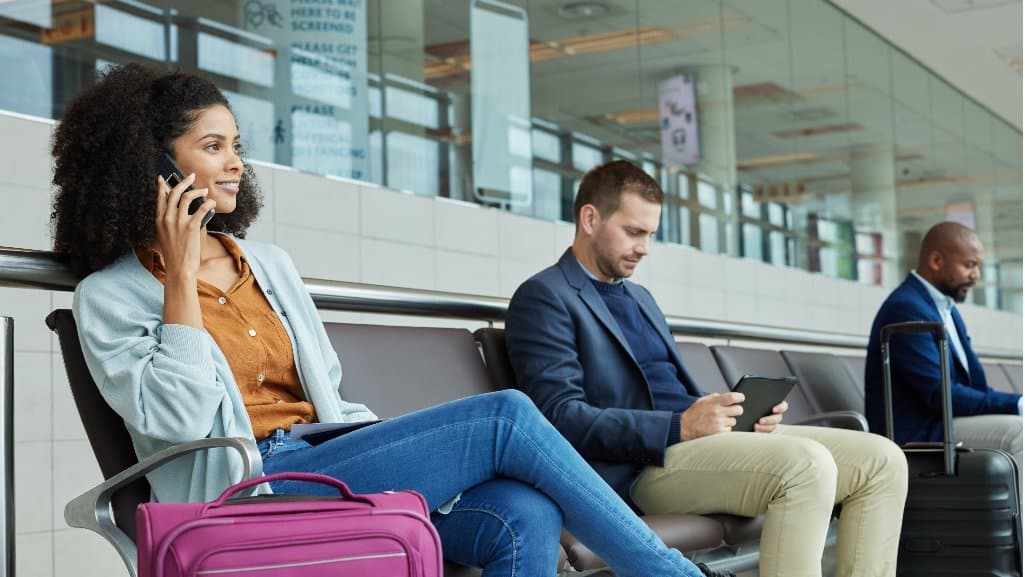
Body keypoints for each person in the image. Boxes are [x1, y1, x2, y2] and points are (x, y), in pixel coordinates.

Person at [51, 64, 725, 577]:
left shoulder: (269, 264)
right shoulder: (112, 297)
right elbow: (178, 419)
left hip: (325, 459)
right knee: (507, 416)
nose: (234, 162)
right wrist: (179, 279)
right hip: (248, 490)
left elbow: (329, 391)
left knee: (526, 512)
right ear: (157, 166)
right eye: (212, 145)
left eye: (236, 145)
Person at [505, 160, 909, 577]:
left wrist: (736, 415)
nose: (644, 248)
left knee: (883, 460)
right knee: (806, 465)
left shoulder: (641, 298)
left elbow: (669, 390)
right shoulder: (545, 297)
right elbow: (558, 419)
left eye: (650, 235)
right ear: (590, 218)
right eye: (633, 232)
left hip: (696, 444)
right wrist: (680, 426)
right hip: (639, 467)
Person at [865, 221, 1022, 470]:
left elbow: (973, 386)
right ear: (936, 261)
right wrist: (1017, 404)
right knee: (1020, 432)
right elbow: (940, 394)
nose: (976, 275)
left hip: (947, 420)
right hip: (921, 431)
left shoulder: (945, 309)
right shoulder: (906, 308)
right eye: (969, 265)